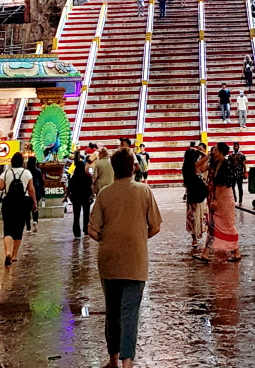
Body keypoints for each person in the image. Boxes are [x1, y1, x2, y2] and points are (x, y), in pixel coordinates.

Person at [88, 147, 162, 368]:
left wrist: (108, 238)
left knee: (112, 312)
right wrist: (139, 237)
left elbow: (92, 230)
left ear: (113, 168)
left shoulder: (104, 194)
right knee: (130, 313)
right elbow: (155, 227)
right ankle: (127, 363)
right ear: (133, 167)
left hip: (109, 262)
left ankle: (112, 360)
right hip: (136, 261)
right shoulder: (145, 191)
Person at [194, 142, 241, 262]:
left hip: (224, 197)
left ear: (220, 151)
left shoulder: (227, 164)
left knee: (227, 224)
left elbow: (224, 184)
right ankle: (206, 252)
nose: (213, 151)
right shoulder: (214, 163)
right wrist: (205, 156)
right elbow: (200, 168)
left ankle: (236, 251)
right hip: (217, 196)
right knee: (214, 225)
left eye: (214, 149)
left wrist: (216, 199)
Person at [0, 151, 37, 267]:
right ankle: (14, 255)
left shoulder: (6, 173)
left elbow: (0, 187)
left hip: (8, 202)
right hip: (23, 203)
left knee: (8, 229)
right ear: (22, 162)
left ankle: (7, 253)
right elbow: (31, 189)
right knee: (19, 228)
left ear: (11, 162)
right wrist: (34, 202)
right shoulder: (27, 173)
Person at [183, 141, 209, 248]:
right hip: (199, 193)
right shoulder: (195, 165)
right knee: (198, 214)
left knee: (191, 215)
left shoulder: (186, 167)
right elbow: (206, 157)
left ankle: (194, 239)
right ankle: (199, 235)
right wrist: (201, 152)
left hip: (191, 194)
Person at [68, 157, 93, 238]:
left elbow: (70, 189)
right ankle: (86, 230)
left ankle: (76, 232)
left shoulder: (72, 179)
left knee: (76, 216)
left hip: (76, 198)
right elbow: (90, 188)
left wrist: (68, 196)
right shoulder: (87, 178)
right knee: (86, 215)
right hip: (86, 198)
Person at [26, 155, 44, 232]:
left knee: (27, 209)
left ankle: (28, 227)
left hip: (28, 192)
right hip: (37, 191)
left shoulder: (26, 171)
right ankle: (35, 220)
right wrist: (43, 193)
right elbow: (41, 182)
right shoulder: (38, 171)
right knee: (35, 206)